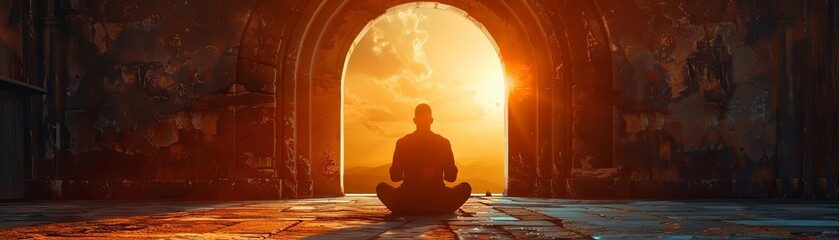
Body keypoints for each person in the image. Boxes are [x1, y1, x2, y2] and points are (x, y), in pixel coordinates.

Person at [376, 103, 472, 214]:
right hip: (439, 200)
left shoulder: (403, 143)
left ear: (414, 120)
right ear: (431, 120)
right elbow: (451, 178)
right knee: (465, 187)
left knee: (381, 188)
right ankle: (434, 208)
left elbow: (395, 177)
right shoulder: (443, 143)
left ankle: (409, 207)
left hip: (407, 200)